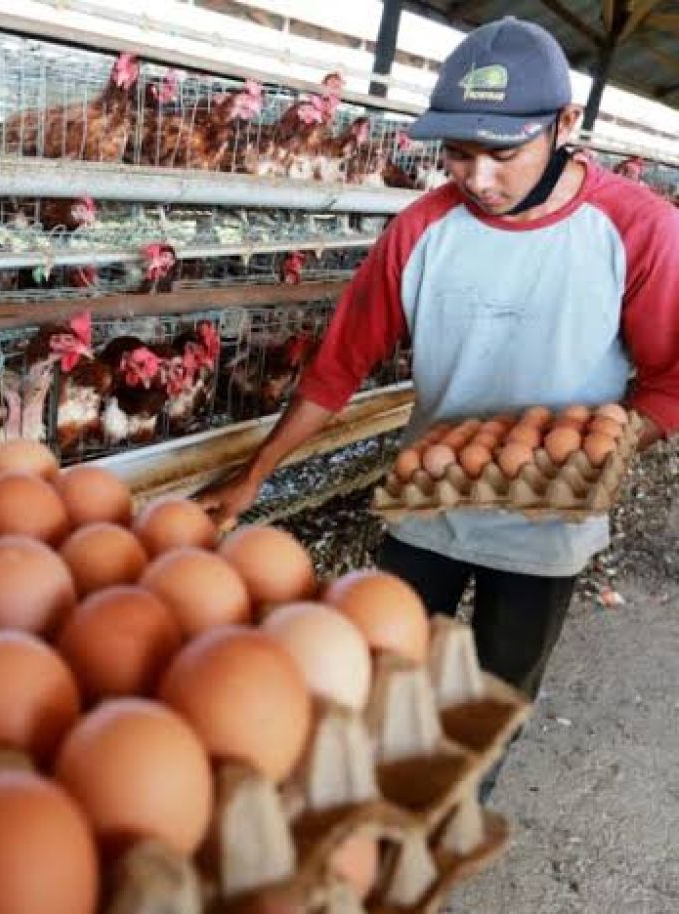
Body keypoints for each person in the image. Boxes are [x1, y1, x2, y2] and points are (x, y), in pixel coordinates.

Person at [197, 17, 678, 702]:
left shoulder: (640, 230)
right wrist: (256, 472)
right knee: (386, 691)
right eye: (457, 153)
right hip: (428, 503)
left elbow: (669, 381)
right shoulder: (422, 229)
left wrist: (591, 448)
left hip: (547, 524)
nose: (477, 178)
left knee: (487, 707)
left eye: (502, 153)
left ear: (566, 123)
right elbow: (338, 367)